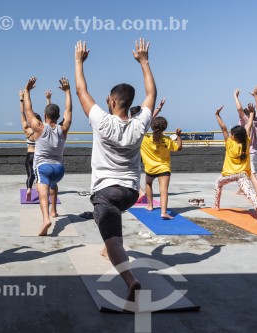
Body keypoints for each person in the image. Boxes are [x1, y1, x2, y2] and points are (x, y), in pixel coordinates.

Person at [74, 38, 156, 304]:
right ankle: (107, 245)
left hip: (106, 192)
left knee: (113, 240)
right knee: (111, 219)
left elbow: (80, 90)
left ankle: (130, 281)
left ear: (110, 101)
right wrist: (144, 62)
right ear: (130, 103)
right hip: (131, 192)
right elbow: (151, 94)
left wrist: (79, 62)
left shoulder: (101, 120)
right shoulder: (140, 123)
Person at [23, 76, 72, 236]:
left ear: (44, 116)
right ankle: (54, 211)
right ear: (58, 117)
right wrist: (67, 91)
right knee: (53, 185)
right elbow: (69, 110)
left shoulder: (38, 128)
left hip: (43, 167)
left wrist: (27, 91)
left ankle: (46, 219)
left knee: (42, 191)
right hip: (59, 170)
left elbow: (28, 111)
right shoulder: (63, 128)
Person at [214, 105, 257, 224]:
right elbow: (248, 126)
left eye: (232, 134)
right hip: (242, 174)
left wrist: (217, 115)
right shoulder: (246, 142)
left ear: (234, 136)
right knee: (250, 194)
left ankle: (216, 206)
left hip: (229, 175)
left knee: (218, 183)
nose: (230, 135)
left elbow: (223, 128)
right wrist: (252, 113)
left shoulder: (230, 143)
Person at [140, 117, 183, 219]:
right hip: (164, 168)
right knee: (163, 190)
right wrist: (178, 136)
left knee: (148, 183)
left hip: (150, 168)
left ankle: (150, 206)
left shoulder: (144, 139)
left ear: (152, 127)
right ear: (165, 128)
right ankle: (163, 212)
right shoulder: (167, 140)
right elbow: (179, 148)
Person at [234, 88, 257, 206]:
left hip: (248, 153)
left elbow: (239, 109)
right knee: (246, 172)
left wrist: (236, 96)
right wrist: (256, 96)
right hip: (253, 152)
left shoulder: (246, 122)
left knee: (252, 174)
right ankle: (241, 190)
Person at [135, 97, 166, 203]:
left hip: (134, 151)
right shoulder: (142, 124)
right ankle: (138, 192)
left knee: (131, 173)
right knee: (135, 172)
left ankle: (140, 192)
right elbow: (152, 116)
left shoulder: (132, 123)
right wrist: (159, 107)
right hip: (142, 151)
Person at [19, 90, 44, 202]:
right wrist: (48, 99)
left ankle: (29, 189)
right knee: (40, 176)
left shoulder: (27, 129)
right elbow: (48, 115)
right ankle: (40, 189)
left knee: (30, 174)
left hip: (29, 155)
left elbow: (22, 113)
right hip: (38, 156)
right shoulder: (42, 131)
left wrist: (21, 99)